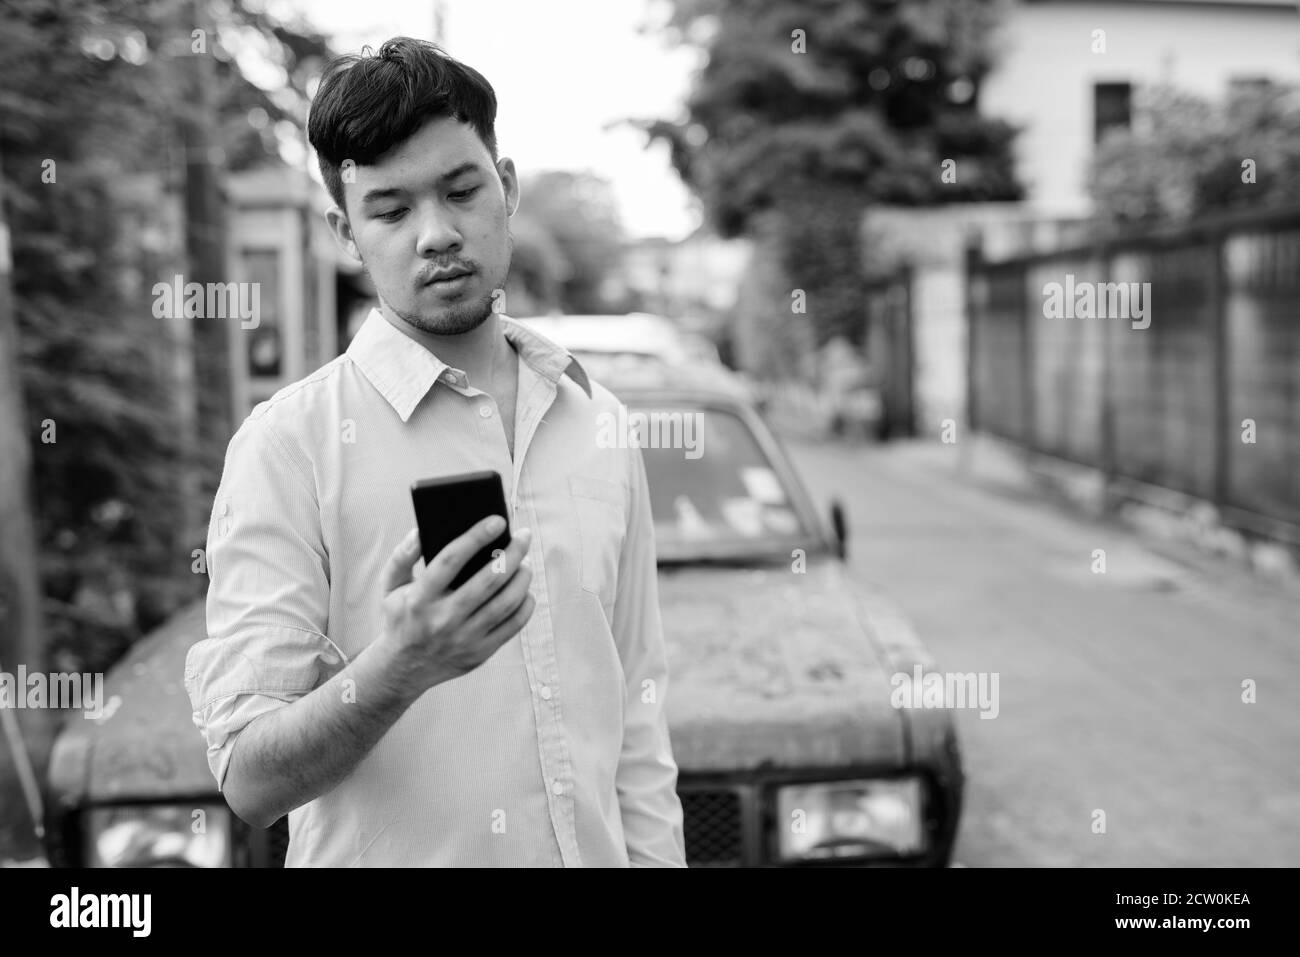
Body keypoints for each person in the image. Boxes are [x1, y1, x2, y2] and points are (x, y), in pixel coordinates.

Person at [183, 37, 686, 867]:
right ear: (347, 230)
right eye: (391, 210)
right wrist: (400, 665)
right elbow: (248, 776)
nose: (436, 234)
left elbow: (634, 717)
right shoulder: (288, 449)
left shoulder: (598, 422)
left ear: (507, 187)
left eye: (462, 190)